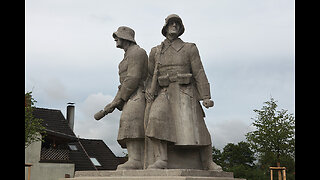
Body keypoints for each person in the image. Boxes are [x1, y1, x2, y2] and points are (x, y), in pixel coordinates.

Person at [145, 14, 222, 171]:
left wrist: (206, 96)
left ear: (180, 28)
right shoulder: (156, 51)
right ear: (165, 27)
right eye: (171, 23)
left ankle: (207, 161)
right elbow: (149, 74)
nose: (174, 26)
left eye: (177, 24)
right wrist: (148, 91)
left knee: (198, 128)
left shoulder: (189, 48)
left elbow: (199, 72)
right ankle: (161, 159)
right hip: (164, 91)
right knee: (155, 118)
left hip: (185, 92)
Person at [99, 26, 148, 170]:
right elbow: (124, 83)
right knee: (128, 123)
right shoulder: (128, 55)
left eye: (117, 36)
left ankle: (137, 160)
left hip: (138, 93)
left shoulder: (137, 52)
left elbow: (133, 78)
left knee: (132, 123)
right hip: (129, 95)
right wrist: (116, 100)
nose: (115, 39)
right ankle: (134, 158)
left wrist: (118, 100)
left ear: (126, 37)